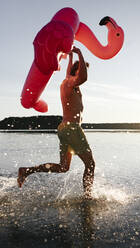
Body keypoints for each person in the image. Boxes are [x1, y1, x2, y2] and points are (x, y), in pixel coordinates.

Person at [17, 46, 95, 199]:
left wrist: (72, 57)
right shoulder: (71, 82)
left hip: (64, 129)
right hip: (72, 129)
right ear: (77, 70)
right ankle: (88, 197)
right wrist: (79, 54)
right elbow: (83, 77)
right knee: (90, 164)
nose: (85, 73)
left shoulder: (67, 82)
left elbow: (71, 73)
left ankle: (26, 171)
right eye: (83, 68)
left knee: (63, 167)